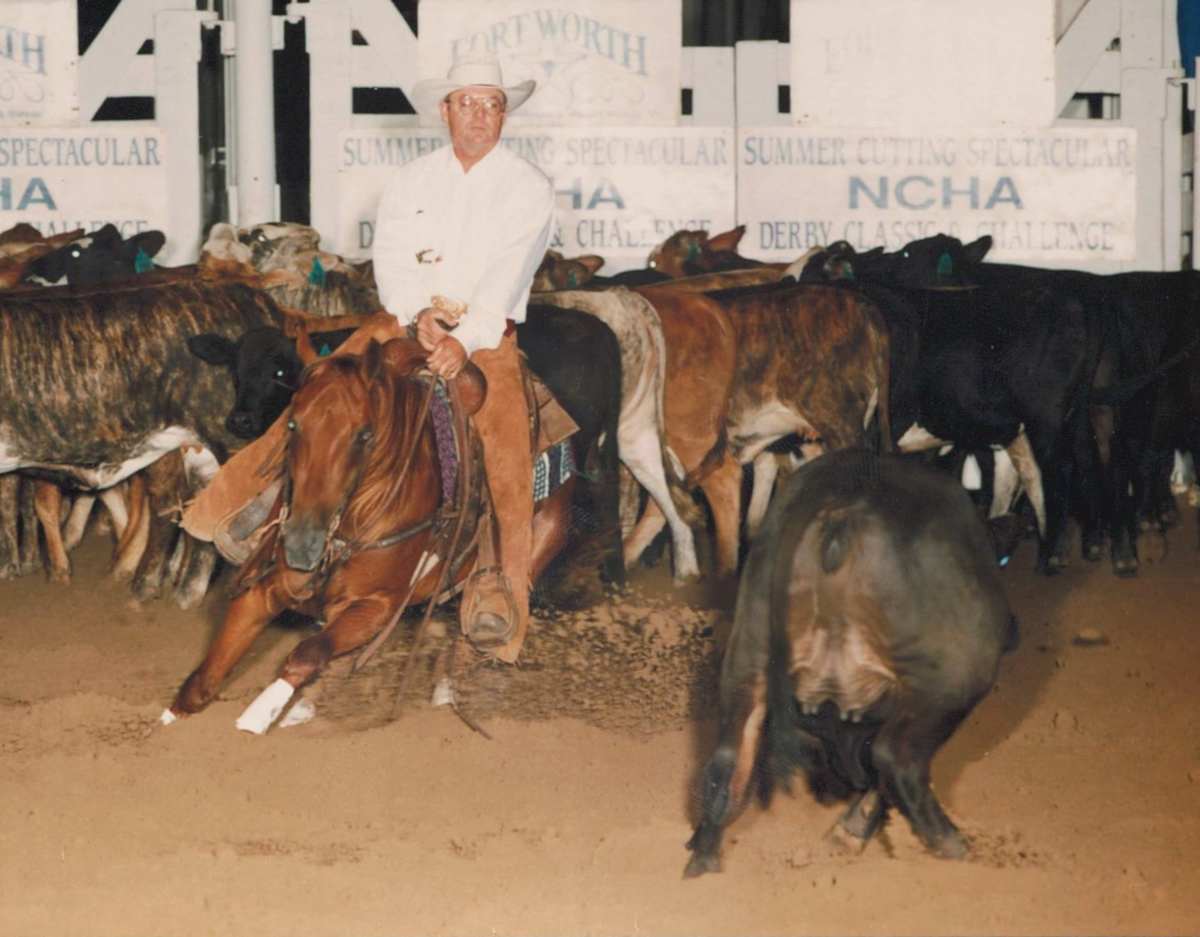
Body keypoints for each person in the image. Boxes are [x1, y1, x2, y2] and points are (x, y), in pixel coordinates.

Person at [371, 55, 556, 664]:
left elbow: (508, 275)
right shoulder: (409, 180)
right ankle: (248, 504)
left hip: (485, 334)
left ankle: (504, 595)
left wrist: (464, 336)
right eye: (468, 103)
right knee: (329, 387)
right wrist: (415, 314)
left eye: (493, 104)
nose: (480, 115)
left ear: (504, 115)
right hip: (411, 317)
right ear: (445, 110)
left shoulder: (527, 186)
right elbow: (392, 258)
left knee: (506, 453)